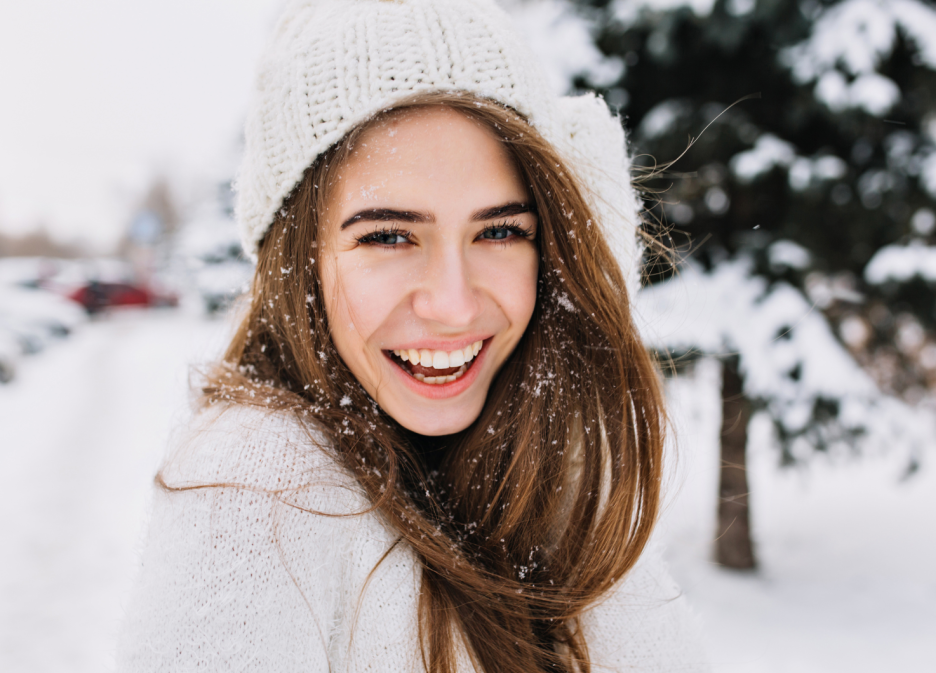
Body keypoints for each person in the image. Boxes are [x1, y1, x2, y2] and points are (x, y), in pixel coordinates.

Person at [116, 1, 709, 671]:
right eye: (389, 236)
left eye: (500, 231)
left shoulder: (511, 452)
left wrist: (578, 352)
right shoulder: (256, 493)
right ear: (299, 258)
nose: (452, 305)